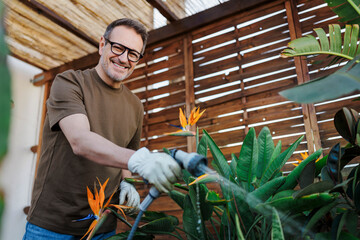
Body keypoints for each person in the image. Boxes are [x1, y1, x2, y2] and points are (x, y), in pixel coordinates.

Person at [23, 18, 182, 239]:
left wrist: (127, 182)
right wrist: (140, 159)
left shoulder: (135, 106)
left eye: (133, 54)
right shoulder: (69, 82)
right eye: (118, 47)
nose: (124, 58)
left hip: (103, 228)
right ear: (102, 45)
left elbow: (124, 151)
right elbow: (80, 140)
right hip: (52, 226)